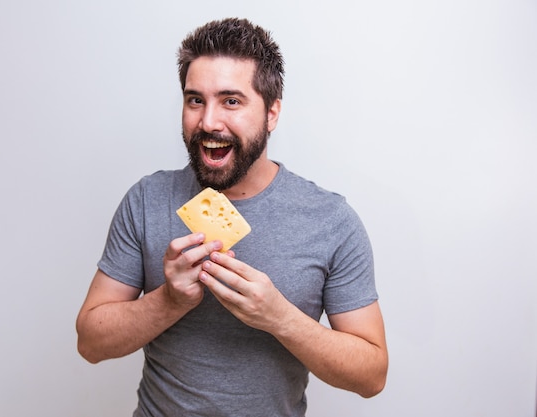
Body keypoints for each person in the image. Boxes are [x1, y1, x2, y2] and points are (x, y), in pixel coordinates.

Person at [76, 17, 388, 417]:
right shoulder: (147, 200)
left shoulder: (331, 221)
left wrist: (280, 318)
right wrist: (168, 301)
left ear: (272, 113)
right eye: (195, 100)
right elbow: (90, 343)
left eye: (231, 101)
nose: (208, 122)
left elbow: (372, 376)